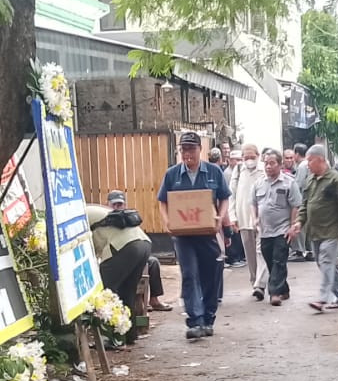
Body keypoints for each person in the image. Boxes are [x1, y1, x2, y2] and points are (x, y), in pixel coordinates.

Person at [158, 130, 231, 340]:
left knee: (211, 274)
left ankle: (208, 318)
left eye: (191, 149)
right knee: (189, 274)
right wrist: (167, 221)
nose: (187, 154)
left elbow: (224, 198)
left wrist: (220, 218)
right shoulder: (172, 174)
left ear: (201, 150)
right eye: (184, 149)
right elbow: (163, 201)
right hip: (183, 236)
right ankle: (195, 321)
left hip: (207, 233)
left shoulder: (213, 172)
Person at [87, 190, 153, 344]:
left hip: (125, 246)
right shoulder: (94, 211)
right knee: (127, 290)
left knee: (105, 292)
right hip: (144, 244)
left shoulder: (77, 218)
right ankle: (129, 335)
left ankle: (110, 337)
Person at [299, 145, 338, 313]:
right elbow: (305, 204)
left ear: (320, 159)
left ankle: (323, 298)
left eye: (310, 160)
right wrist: (299, 222)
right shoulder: (311, 180)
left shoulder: (336, 180)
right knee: (326, 265)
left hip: (331, 231)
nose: (308, 164)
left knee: (326, 262)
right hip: (314, 232)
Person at [253, 148, 303, 305]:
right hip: (265, 231)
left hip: (283, 229)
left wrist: (293, 225)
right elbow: (253, 203)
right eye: (266, 163)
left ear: (280, 165)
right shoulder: (259, 183)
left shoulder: (289, 183)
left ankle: (274, 293)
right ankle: (284, 289)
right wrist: (255, 218)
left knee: (279, 260)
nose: (268, 166)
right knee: (270, 261)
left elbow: (295, 205)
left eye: (272, 163)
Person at [228, 144, 264, 288]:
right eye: (246, 157)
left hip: (261, 218)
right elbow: (232, 195)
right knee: (250, 253)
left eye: (252, 157)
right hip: (243, 217)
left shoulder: (264, 170)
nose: (249, 160)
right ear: (242, 157)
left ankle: (261, 283)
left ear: (258, 156)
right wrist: (232, 217)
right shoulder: (238, 171)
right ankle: (254, 280)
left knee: (261, 251)